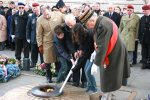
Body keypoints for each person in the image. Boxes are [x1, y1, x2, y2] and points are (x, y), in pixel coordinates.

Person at [78, 10, 130, 99]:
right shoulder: (101, 20)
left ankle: (106, 96)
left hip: (114, 51)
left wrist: (96, 63)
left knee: (108, 75)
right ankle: (110, 93)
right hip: (113, 48)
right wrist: (95, 51)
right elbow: (99, 41)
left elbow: (102, 47)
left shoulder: (103, 26)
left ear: (92, 20)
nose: (87, 27)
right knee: (111, 75)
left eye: (87, 24)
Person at [36, 5, 64, 83]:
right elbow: (39, 34)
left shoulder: (58, 14)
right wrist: (40, 45)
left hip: (59, 42)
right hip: (47, 43)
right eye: (44, 15)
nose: (46, 16)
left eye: (48, 14)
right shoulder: (40, 20)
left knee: (58, 60)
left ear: (50, 11)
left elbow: (66, 19)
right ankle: (49, 76)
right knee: (47, 61)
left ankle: (59, 76)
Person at [71, 23, 94, 88]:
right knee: (87, 70)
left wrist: (74, 69)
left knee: (87, 71)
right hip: (88, 53)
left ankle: (92, 87)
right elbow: (82, 43)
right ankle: (90, 86)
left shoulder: (89, 35)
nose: (75, 36)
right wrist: (80, 50)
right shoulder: (84, 34)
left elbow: (84, 58)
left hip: (92, 54)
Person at [11, 2, 30, 66]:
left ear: (24, 8)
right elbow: (12, 25)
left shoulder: (28, 15)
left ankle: (26, 62)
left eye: (22, 7)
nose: (21, 9)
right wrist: (12, 34)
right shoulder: (14, 15)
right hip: (17, 35)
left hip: (25, 35)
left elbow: (29, 26)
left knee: (26, 49)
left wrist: (29, 36)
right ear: (17, 8)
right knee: (17, 49)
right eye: (20, 7)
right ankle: (18, 61)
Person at [138, 4, 150, 69]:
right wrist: (139, 37)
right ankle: (144, 64)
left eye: (145, 10)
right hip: (143, 38)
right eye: (143, 10)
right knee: (144, 52)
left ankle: (149, 64)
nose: (144, 12)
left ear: (149, 10)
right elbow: (140, 28)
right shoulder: (142, 18)